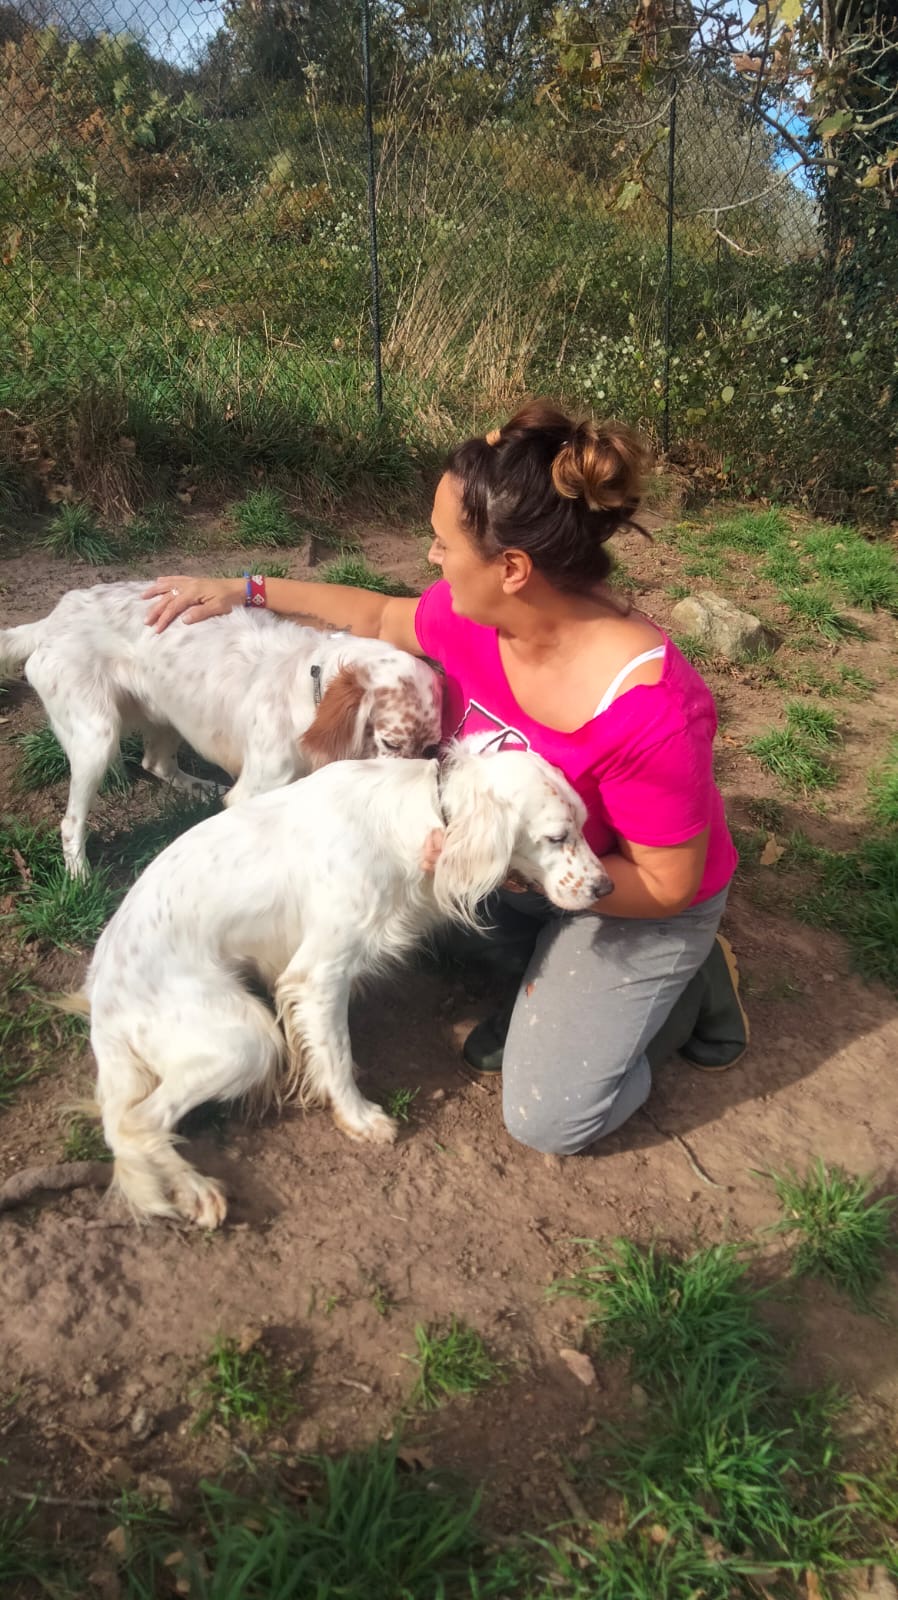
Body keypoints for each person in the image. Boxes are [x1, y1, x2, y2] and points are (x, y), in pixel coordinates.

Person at [144, 399, 748, 1157]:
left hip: (630, 893)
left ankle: (685, 989)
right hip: (520, 861)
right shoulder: (479, 617)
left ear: (513, 568)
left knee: (552, 1119)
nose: (431, 557)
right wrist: (246, 590)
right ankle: (546, 970)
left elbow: (666, 884)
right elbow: (375, 616)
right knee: (395, 932)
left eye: (443, 542)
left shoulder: (651, 713)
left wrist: (500, 871)